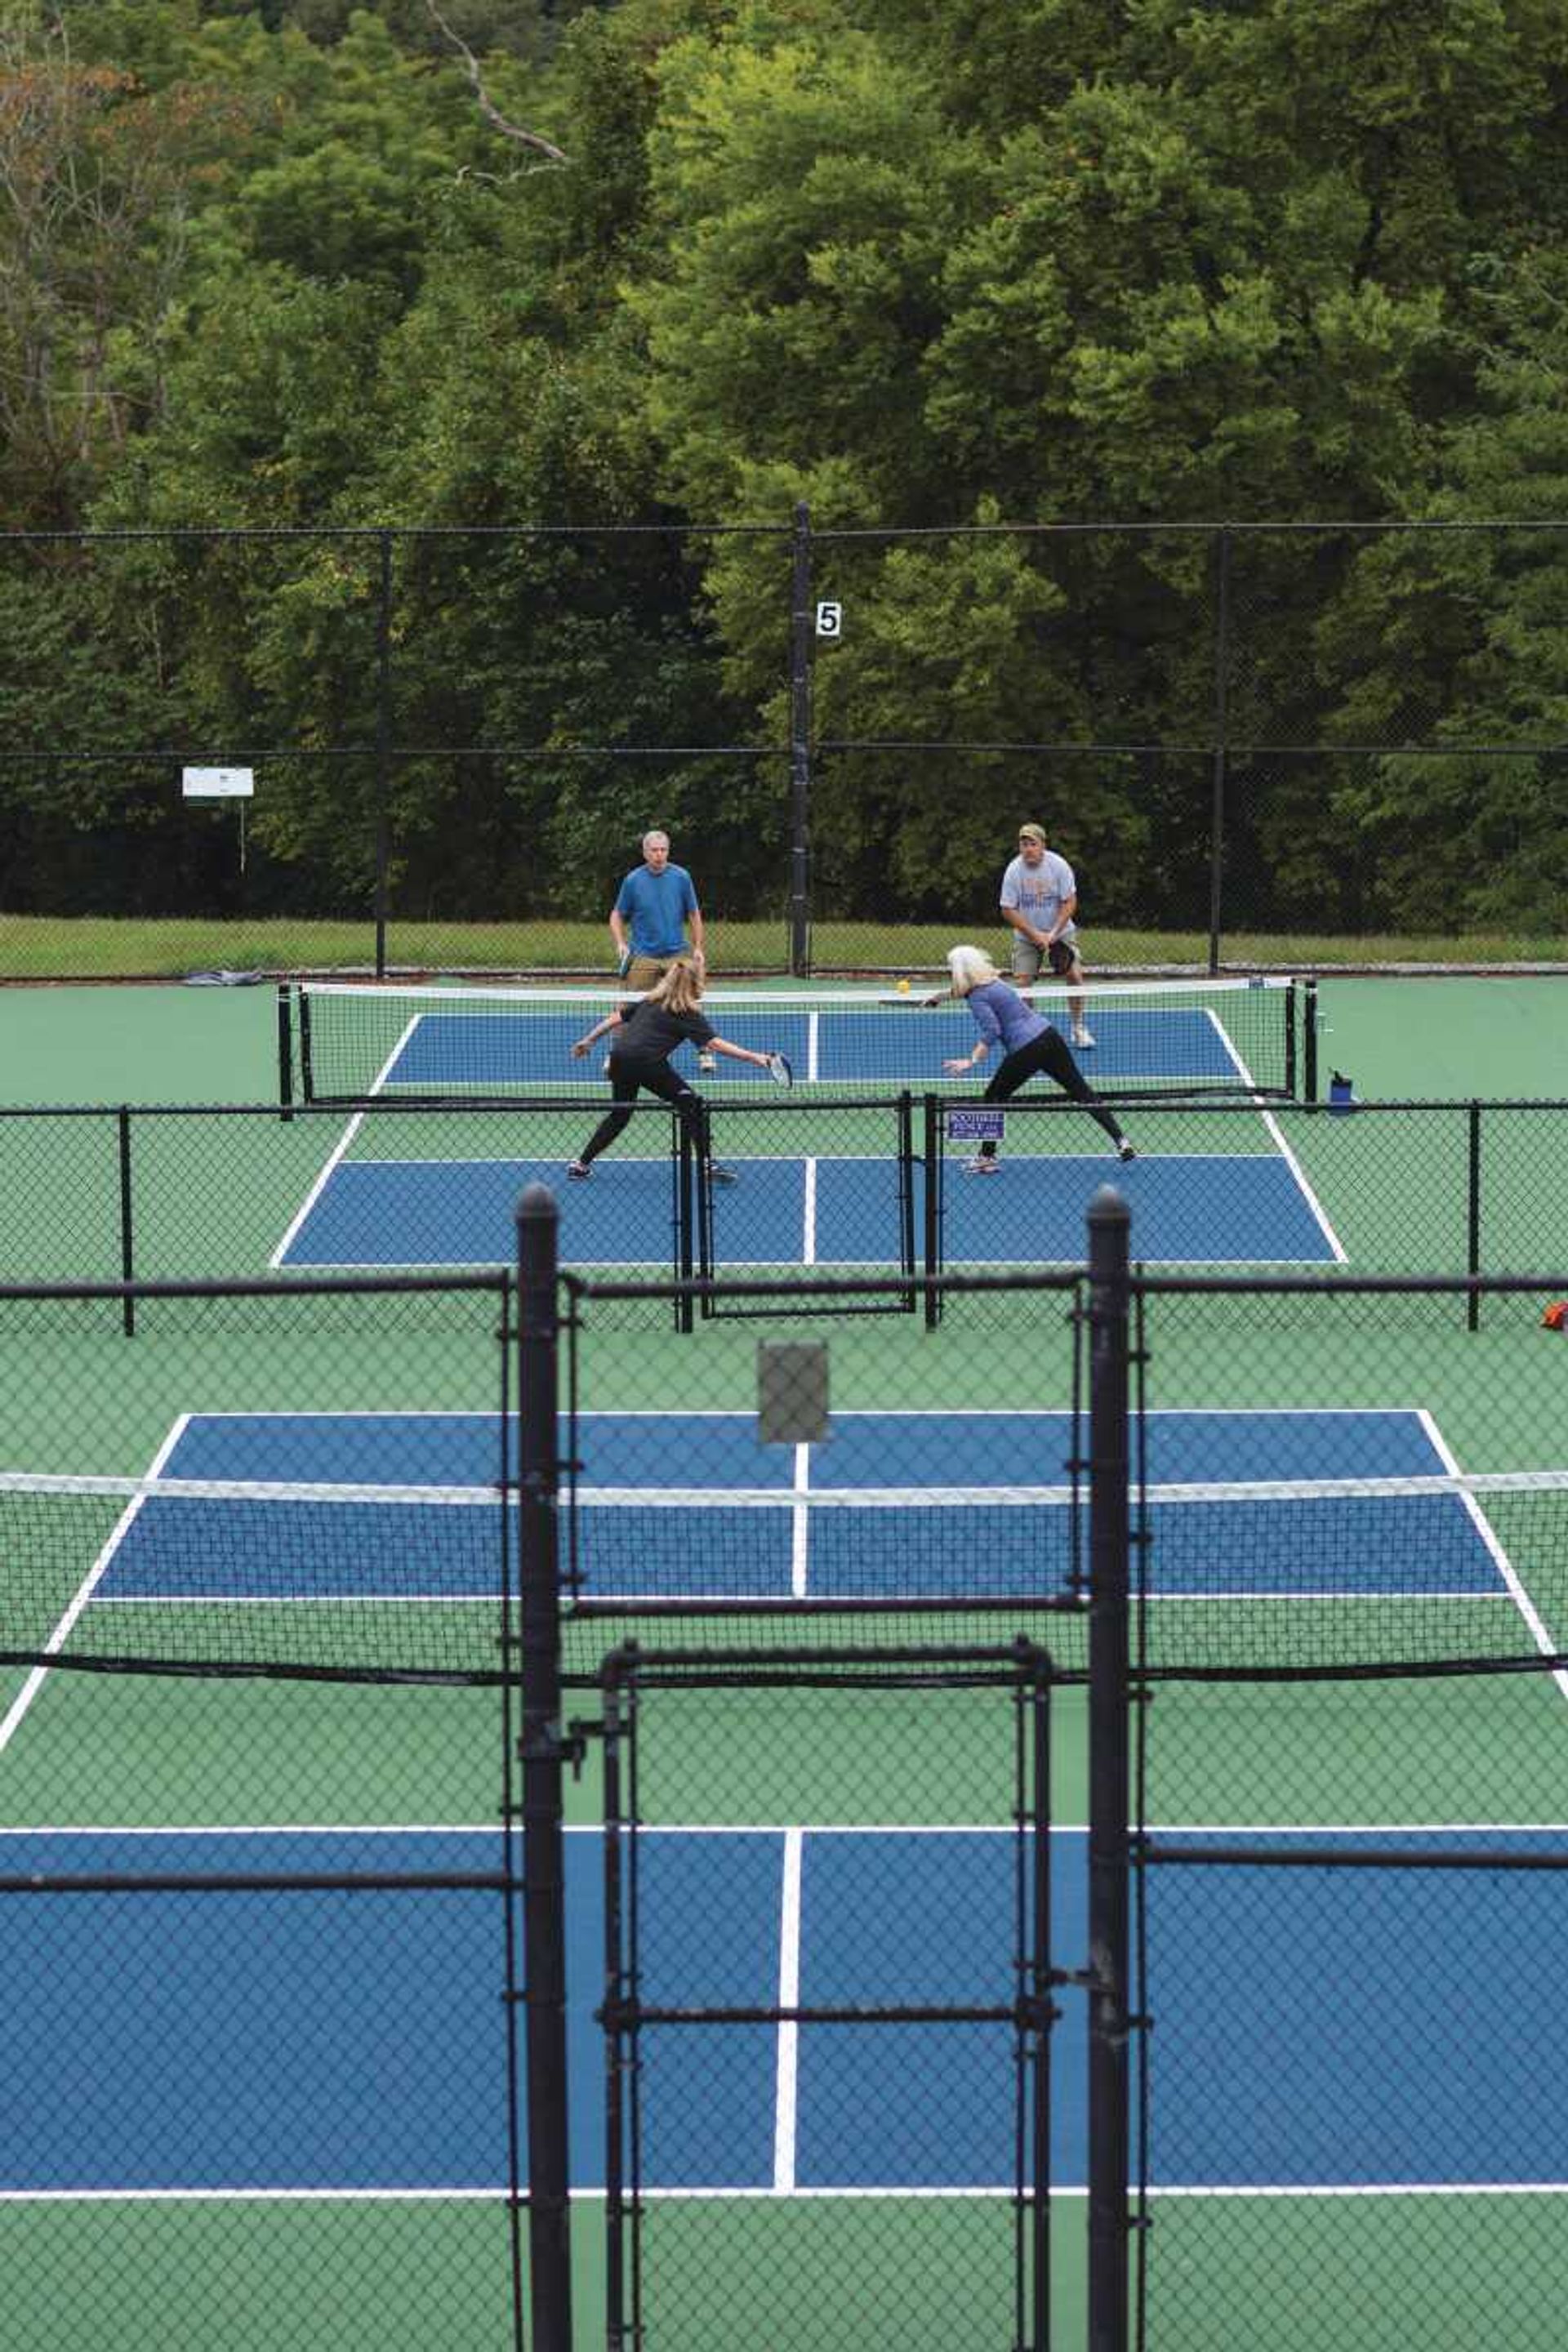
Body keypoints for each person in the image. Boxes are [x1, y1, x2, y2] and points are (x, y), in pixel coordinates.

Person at [566, 957, 778, 1182]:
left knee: (619, 1115)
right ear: (695, 983)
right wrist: (755, 1057)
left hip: (620, 1058)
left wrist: (588, 1040)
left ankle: (581, 1165)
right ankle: (707, 1165)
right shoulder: (687, 1012)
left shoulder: (650, 1001)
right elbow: (714, 1044)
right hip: (647, 1063)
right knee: (692, 1105)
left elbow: (614, 1019)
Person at [942, 944, 1134, 1174]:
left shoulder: (977, 998)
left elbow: (992, 1030)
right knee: (1081, 1091)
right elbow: (958, 990)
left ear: (961, 971)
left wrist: (971, 1060)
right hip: (1049, 1036)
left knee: (994, 1096)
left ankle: (987, 1158)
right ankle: (1122, 1141)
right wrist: (936, 997)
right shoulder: (993, 982)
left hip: (1026, 1049)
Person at [999, 822, 1093, 1046]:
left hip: (1060, 933)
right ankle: (1033, 1031)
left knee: (1075, 977)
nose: (1028, 848)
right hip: (1026, 937)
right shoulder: (1014, 870)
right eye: (1024, 844)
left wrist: (1053, 933)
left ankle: (1078, 1028)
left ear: (1043, 845)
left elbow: (1070, 901)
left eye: (1033, 843)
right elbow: (1007, 909)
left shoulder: (1058, 866)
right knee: (1022, 984)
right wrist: (1035, 936)